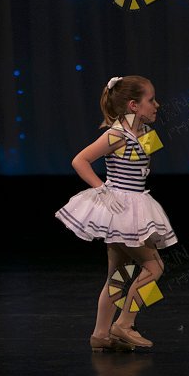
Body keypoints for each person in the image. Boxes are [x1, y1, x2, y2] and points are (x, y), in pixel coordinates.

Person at [55, 75, 177, 352]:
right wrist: (102, 189)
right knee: (155, 268)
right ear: (133, 105)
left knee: (119, 275)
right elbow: (80, 160)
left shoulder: (145, 132)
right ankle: (125, 323)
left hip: (134, 206)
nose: (157, 105)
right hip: (121, 209)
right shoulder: (116, 134)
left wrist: (144, 137)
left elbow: (144, 169)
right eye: (151, 100)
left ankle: (100, 334)